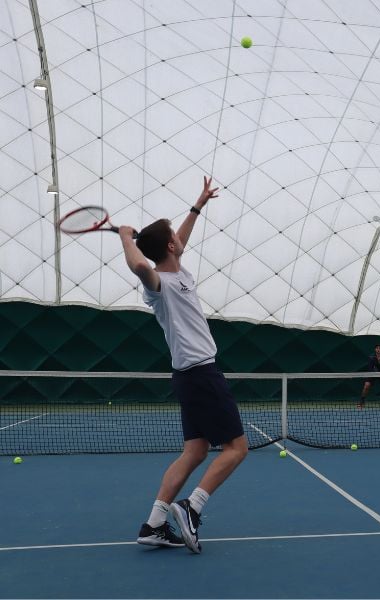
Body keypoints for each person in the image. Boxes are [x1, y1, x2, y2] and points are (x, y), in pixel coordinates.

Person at [120, 176, 248, 554]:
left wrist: (198, 205)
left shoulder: (179, 272)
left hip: (189, 377)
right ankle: (192, 508)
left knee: (194, 452)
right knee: (236, 448)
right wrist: (127, 239)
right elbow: (139, 268)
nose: (179, 236)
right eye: (175, 234)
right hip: (201, 374)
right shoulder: (159, 283)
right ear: (171, 246)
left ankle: (155, 524)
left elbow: (177, 241)